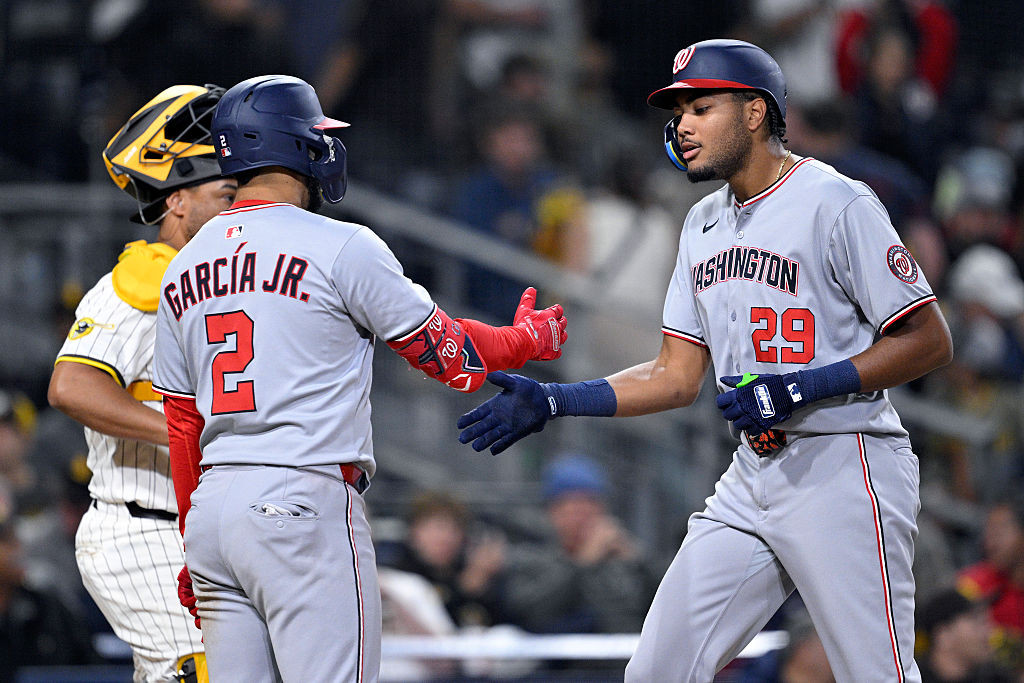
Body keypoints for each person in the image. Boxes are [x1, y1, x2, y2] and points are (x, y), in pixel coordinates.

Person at [457, 39, 953, 681]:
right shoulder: (701, 222)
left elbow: (929, 339)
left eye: (701, 107)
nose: (683, 125)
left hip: (844, 462)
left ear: (754, 112)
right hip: (752, 472)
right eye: (679, 112)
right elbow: (674, 376)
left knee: (877, 673)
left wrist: (804, 387)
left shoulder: (836, 201)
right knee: (656, 670)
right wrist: (558, 399)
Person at [151, 75, 567, 683]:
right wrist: (523, 341)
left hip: (214, 512)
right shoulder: (339, 245)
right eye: (316, 135)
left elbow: (182, 426)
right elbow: (447, 356)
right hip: (301, 498)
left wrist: (194, 542)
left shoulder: (183, 266)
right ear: (295, 144)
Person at [47, 84, 237, 682]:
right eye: (226, 194)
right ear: (176, 201)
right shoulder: (140, 282)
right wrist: (182, 430)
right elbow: (71, 386)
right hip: (142, 528)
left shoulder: (228, 285)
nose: (239, 207)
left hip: (204, 532)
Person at [501, 453, 652, 635]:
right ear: (552, 512)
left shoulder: (619, 559)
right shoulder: (530, 556)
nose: (582, 518)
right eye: (574, 509)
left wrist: (639, 564)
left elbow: (656, 610)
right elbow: (530, 613)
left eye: (591, 506)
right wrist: (583, 562)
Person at [915, 587, 1012, 683]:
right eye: (976, 621)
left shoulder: (996, 678)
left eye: (985, 622)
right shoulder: (911, 678)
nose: (988, 631)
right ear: (943, 635)